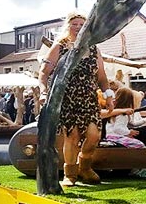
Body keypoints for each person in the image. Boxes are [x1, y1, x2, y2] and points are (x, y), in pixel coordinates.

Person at [39, 10, 113, 186]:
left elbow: (101, 77)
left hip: (88, 98)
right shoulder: (60, 46)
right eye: (75, 24)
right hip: (67, 98)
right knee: (71, 136)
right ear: (68, 26)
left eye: (82, 25)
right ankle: (70, 174)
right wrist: (43, 92)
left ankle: (84, 166)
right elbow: (43, 73)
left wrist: (109, 95)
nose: (78, 28)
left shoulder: (94, 48)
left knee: (94, 135)